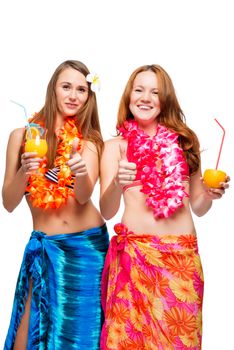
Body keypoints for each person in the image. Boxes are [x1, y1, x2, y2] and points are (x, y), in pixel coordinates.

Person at [99, 64, 230, 349]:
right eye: (139, 90)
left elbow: (198, 206)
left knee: (181, 341)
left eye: (155, 92)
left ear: (165, 99)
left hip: (181, 260)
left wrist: (209, 193)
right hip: (134, 260)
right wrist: (117, 184)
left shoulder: (185, 142)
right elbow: (107, 211)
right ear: (128, 96)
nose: (146, 98)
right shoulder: (114, 147)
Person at [2, 60, 109, 350]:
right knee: (27, 333)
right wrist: (25, 170)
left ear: (89, 96)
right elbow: (8, 203)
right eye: (67, 87)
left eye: (81, 89)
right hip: (45, 245)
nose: (74, 95)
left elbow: (84, 197)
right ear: (53, 89)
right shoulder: (21, 137)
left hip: (87, 250)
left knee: (82, 335)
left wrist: (81, 172)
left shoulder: (89, 142)